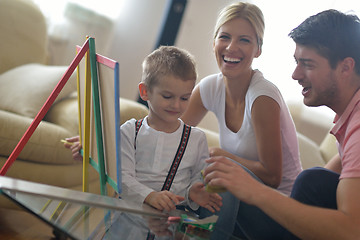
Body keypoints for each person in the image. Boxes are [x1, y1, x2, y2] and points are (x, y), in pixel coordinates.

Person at [203, 9, 360, 239]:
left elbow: (352, 229)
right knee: (310, 182)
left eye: (307, 64)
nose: (295, 75)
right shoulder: (349, 121)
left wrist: (254, 190)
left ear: (346, 67)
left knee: (310, 182)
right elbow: (331, 174)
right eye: (296, 62)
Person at [180, 2, 302, 236]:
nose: (231, 47)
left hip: (280, 210)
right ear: (214, 42)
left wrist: (225, 157)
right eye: (224, 37)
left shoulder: (262, 96)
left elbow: (273, 177)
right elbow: (170, 134)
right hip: (243, 201)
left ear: (258, 49)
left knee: (221, 168)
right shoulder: (209, 87)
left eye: (244, 40)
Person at [65, 46, 222, 214]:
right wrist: (150, 196)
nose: (176, 105)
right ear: (145, 91)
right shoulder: (129, 131)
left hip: (168, 224)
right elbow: (121, 177)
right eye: (167, 96)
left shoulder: (197, 139)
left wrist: (193, 193)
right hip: (126, 218)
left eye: (185, 98)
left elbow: (194, 182)